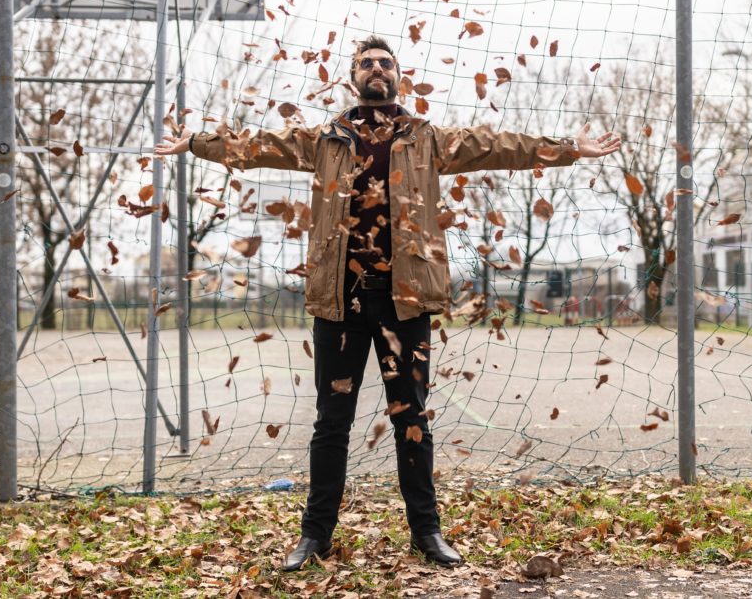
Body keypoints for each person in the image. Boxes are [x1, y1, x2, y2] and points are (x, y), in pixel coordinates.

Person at [154, 35, 621, 571]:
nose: (377, 69)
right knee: (332, 422)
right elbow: (258, 146)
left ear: (401, 75)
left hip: (406, 301)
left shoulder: (427, 138)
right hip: (341, 301)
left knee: (412, 418)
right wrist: (196, 144)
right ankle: (314, 537)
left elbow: (501, 145)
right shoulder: (325, 139)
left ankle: (428, 532)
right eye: (366, 63)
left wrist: (568, 148)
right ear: (352, 77)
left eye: (385, 62)